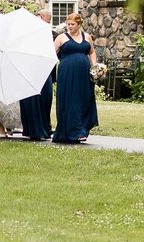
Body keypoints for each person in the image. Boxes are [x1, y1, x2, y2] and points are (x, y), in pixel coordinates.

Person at [52, 12, 99, 144]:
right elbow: (51, 53)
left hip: (84, 74)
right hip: (67, 74)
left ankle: (82, 128)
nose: (69, 27)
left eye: (72, 24)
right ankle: (75, 131)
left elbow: (92, 52)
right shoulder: (61, 38)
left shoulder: (87, 37)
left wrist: (95, 66)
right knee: (70, 100)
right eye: (68, 24)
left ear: (79, 24)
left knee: (84, 99)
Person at [18, 9, 56, 140]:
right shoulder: (27, 34)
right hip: (30, 69)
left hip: (45, 71)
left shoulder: (52, 34)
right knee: (31, 100)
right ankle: (34, 130)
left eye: (47, 21)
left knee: (46, 98)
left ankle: (45, 128)